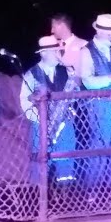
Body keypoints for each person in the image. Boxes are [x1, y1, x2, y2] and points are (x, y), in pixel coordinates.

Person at [77, 14, 111, 188]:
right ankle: (95, 189)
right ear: (99, 31)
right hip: (99, 103)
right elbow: (87, 81)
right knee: (99, 146)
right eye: (110, 32)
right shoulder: (86, 51)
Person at [19, 35, 77, 183]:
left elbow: (75, 93)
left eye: (59, 51)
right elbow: (24, 102)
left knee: (66, 160)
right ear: (43, 53)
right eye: (54, 51)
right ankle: (39, 196)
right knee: (40, 161)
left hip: (64, 124)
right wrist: (41, 119)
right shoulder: (31, 74)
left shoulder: (66, 71)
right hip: (41, 126)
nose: (58, 54)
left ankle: (66, 196)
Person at [50, 14, 88, 79]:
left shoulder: (83, 45)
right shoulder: (52, 46)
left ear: (62, 26)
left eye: (54, 27)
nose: (52, 31)